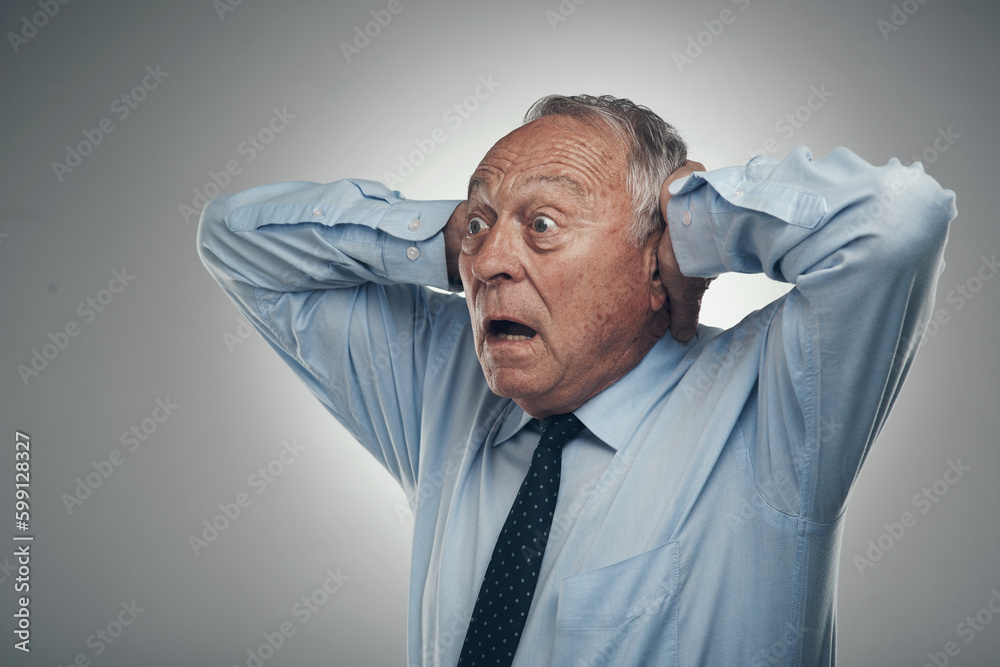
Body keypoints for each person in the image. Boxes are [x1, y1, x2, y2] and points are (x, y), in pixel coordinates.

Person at [197, 94, 956, 666]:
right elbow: (235, 242)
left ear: (652, 262)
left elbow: (898, 219)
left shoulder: (772, 409)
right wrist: (444, 238)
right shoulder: (441, 385)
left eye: (543, 225)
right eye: (481, 226)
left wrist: (696, 223)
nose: (491, 262)